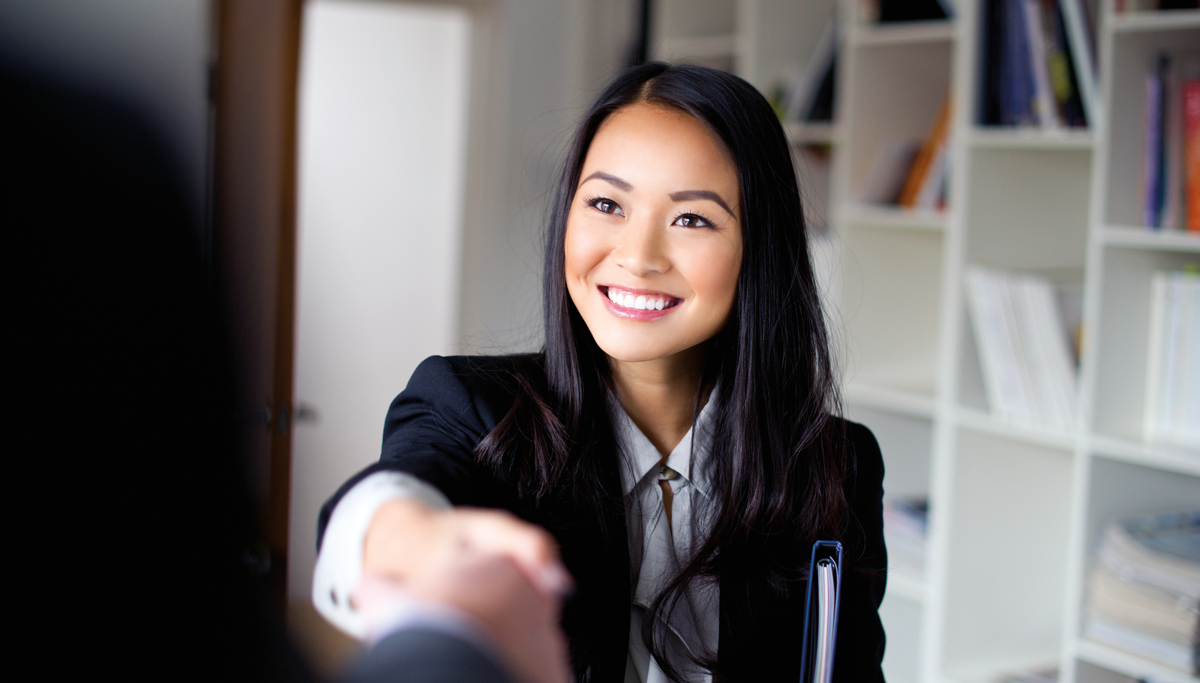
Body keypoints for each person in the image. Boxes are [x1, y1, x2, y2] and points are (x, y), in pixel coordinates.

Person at [313, 62, 887, 683]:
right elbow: (394, 497)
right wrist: (410, 541)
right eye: (607, 204)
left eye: (692, 219)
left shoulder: (835, 461)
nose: (638, 258)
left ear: (759, 248)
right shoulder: (470, 406)